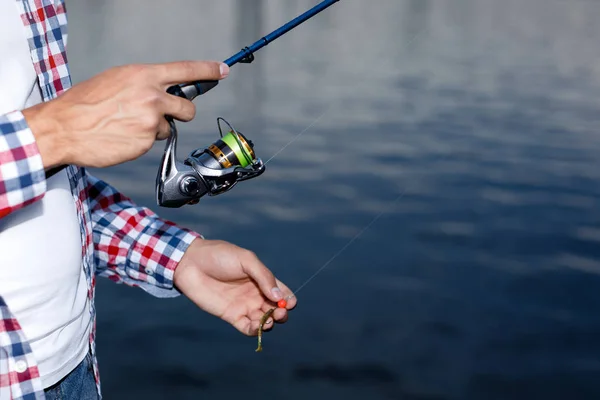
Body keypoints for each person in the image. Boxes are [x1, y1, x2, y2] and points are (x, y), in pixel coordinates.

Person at [0, 1, 296, 399]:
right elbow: (43, 146)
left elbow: (50, 184)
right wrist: (57, 131)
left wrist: (175, 255)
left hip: (73, 368)